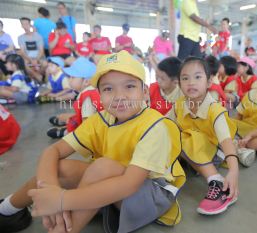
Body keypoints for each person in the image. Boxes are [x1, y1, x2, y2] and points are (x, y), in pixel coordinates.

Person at [0, 51, 186, 233]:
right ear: (99, 94)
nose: (119, 96)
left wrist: (63, 199)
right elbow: (53, 151)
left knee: (103, 166)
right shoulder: (102, 119)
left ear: (145, 92)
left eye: (129, 86)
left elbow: (129, 184)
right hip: (112, 185)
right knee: (60, 168)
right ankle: (8, 210)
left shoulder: (154, 126)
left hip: (151, 195)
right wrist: (50, 191)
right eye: (108, 89)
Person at [166, 57, 239, 215]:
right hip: (192, 150)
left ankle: (217, 181)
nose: (191, 82)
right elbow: (163, 125)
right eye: (185, 78)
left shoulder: (214, 110)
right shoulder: (179, 104)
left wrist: (233, 171)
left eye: (197, 77)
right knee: (167, 131)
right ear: (179, 83)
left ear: (208, 82)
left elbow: (226, 142)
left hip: (215, 154)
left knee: (186, 136)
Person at [46, 57, 101, 139]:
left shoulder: (87, 99)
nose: (69, 80)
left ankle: (66, 131)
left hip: (93, 129)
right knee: (65, 116)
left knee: (69, 120)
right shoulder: (90, 91)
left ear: (86, 82)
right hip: (95, 121)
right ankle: (67, 123)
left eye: (73, 77)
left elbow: (87, 125)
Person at [18, 17, 45, 83]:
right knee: (23, 63)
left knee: (45, 64)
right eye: (23, 24)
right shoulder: (20, 37)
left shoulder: (38, 36)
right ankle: (38, 76)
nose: (25, 26)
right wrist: (31, 60)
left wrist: (36, 60)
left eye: (26, 24)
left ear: (30, 24)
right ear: (21, 26)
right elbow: (22, 51)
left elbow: (41, 51)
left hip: (39, 56)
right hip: (28, 57)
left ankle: (36, 77)